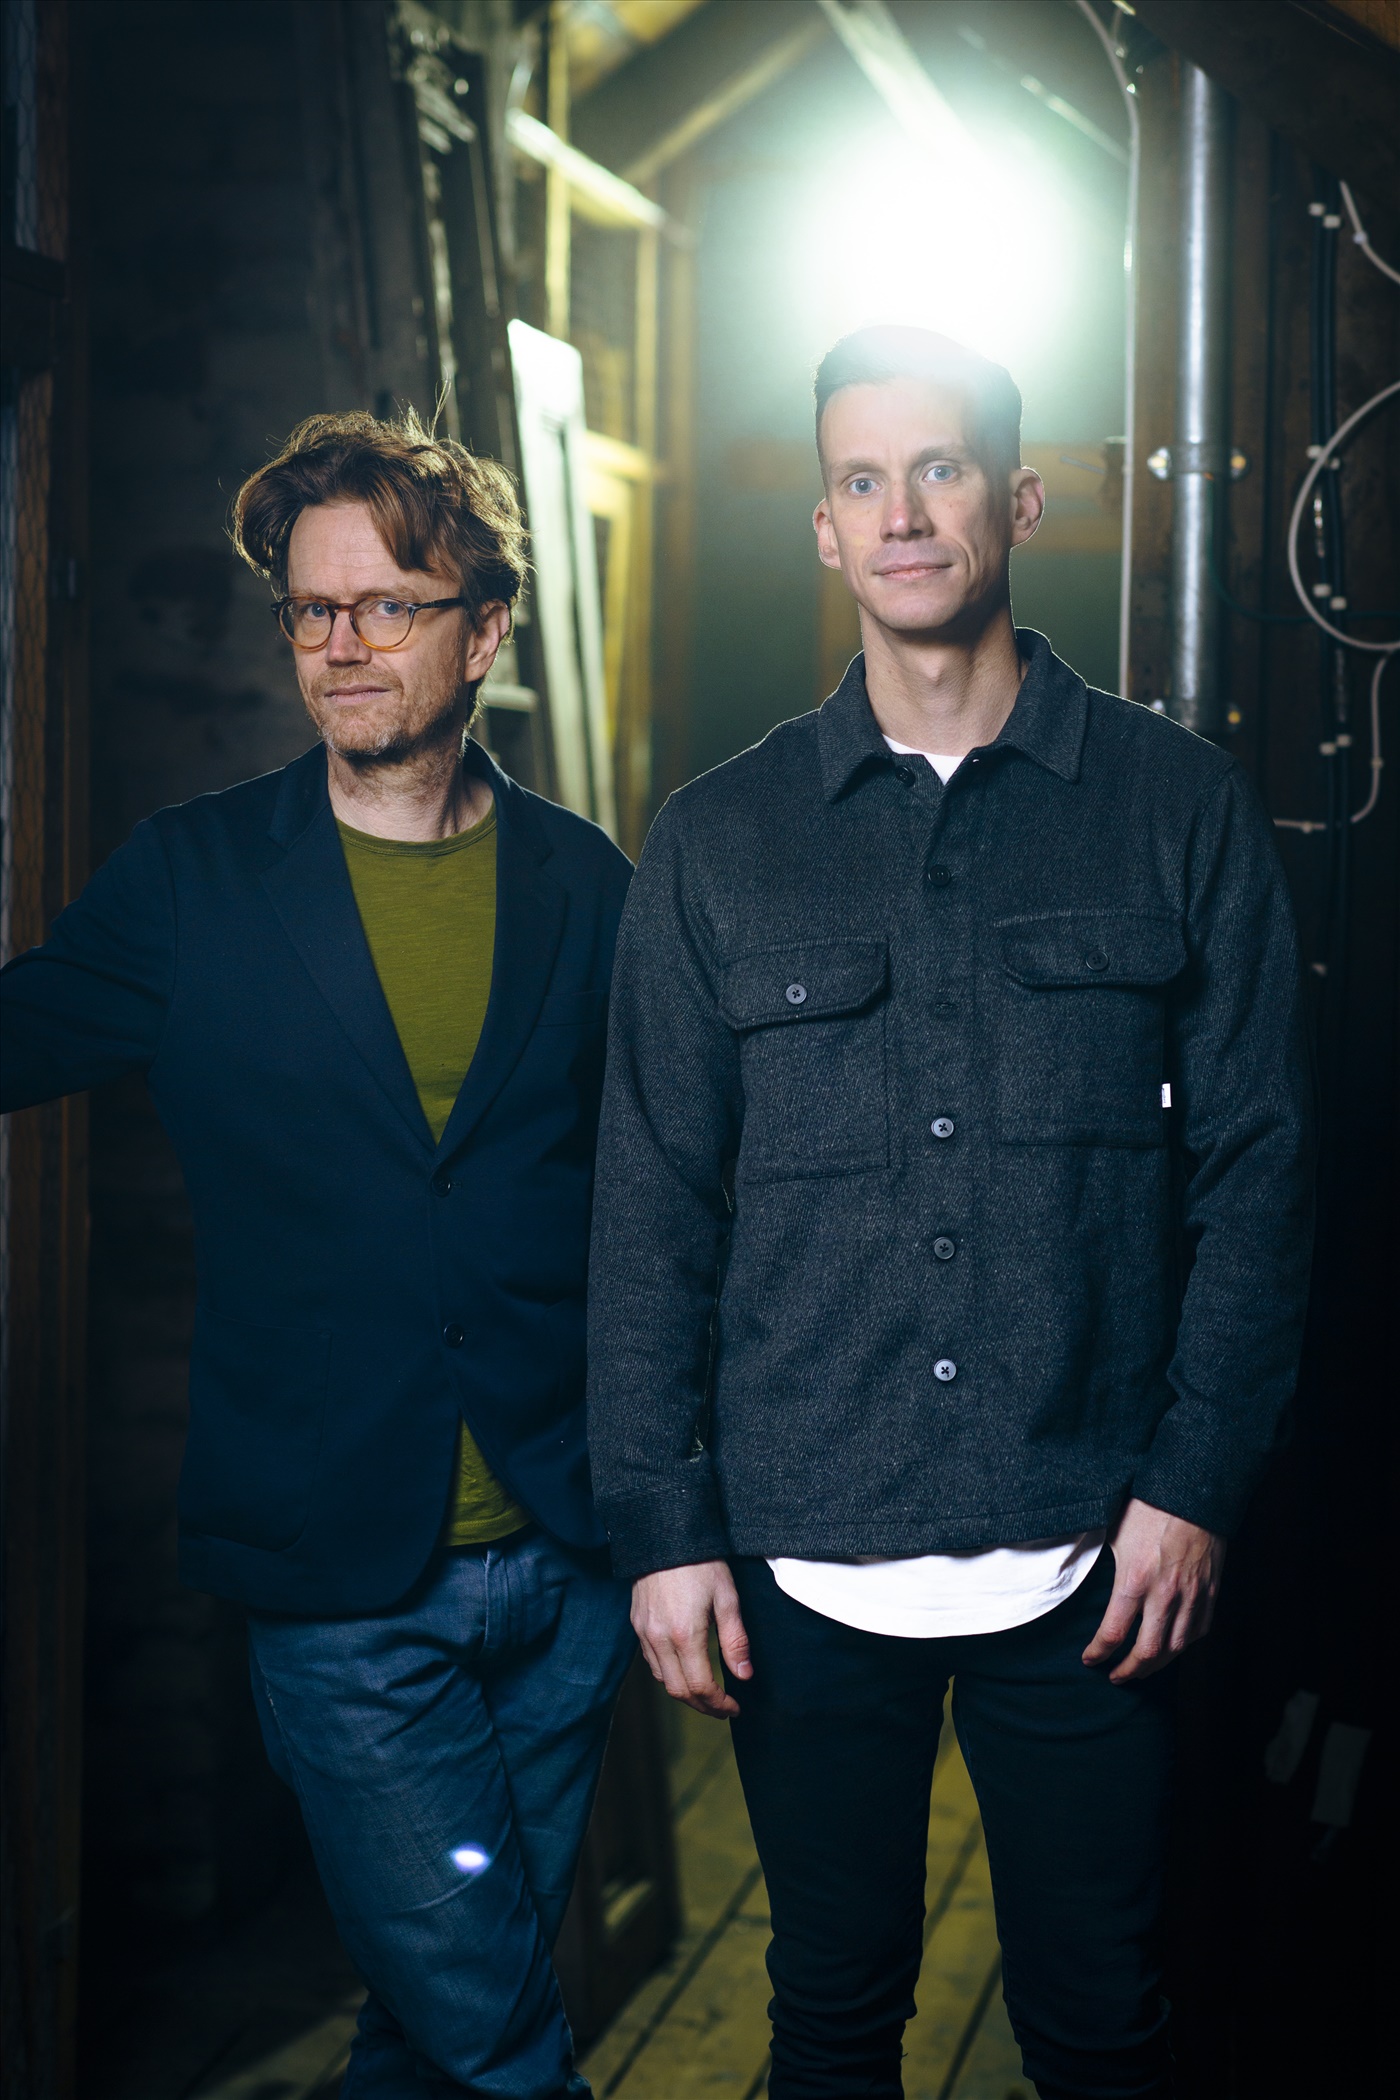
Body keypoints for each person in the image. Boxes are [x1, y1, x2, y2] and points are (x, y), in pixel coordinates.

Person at [585, 326, 1314, 2100]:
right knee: (831, 2023)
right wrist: (664, 1527)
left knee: (1106, 2026)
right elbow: (651, 1202)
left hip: (1099, 1551)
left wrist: (1196, 1490)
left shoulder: (1176, 807)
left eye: (941, 469)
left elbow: (1263, 1173)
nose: (902, 513)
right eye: (862, 479)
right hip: (804, 1546)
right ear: (825, 528)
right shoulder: (717, 839)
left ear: (1021, 499)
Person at [0, 409, 635, 2099]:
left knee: (430, 2024)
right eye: (311, 609)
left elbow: (668, 1196)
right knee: (501, 2034)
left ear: (483, 630)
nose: (342, 644)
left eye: (387, 606)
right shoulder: (195, 881)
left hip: (567, 1554)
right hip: (340, 1573)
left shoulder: (588, 889)